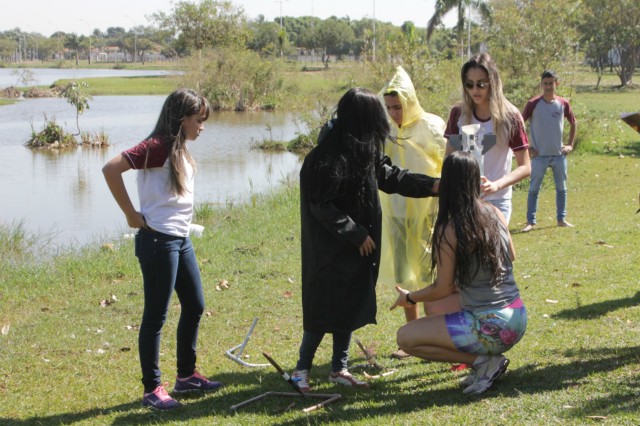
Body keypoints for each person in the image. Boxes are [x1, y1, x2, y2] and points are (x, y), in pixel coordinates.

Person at [292, 87, 440, 392]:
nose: (382, 121)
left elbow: (390, 176)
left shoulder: (364, 147)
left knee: (348, 304)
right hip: (330, 248)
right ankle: (301, 370)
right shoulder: (328, 155)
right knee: (323, 307)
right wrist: (355, 233)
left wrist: (435, 185)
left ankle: (339, 369)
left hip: (360, 248)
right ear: (362, 118)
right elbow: (320, 205)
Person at [102, 89, 223, 410]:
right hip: (157, 241)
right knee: (156, 315)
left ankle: (186, 377)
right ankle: (152, 389)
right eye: (198, 120)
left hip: (180, 240)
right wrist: (131, 214)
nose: (202, 126)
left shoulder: (179, 150)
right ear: (181, 118)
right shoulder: (157, 147)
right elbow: (111, 169)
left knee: (195, 305)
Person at [390, 150, 527, 395]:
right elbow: (513, 257)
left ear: (446, 184)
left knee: (406, 338)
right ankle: (485, 362)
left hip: (490, 326)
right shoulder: (494, 212)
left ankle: (483, 363)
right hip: (517, 317)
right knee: (437, 310)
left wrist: (409, 298)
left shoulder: (450, 228)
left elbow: (442, 288)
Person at [378, 66, 448, 359]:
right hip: (396, 212)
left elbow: (449, 162)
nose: (395, 113)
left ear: (410, 101)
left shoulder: (431, 126)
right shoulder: (385, 131)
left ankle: (438, 335)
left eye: (399, 106)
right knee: (405, 274)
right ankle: (414, 336)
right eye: (389, 107)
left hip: (428, 210)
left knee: (431, 271)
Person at [445, 53, 531, 224]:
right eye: (469, 84)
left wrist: (496, 185)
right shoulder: (458, 114)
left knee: (495, 250)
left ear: (493, 82)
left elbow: (526, 167)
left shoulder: (510, 117)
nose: (475, 90)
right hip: (465, 199)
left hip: (497, 201)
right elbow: (449, 158)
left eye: (481, 84)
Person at [521, 70, 577, 232]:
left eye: (551, 83)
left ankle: (561, 219)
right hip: (539, 156)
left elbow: (573, 123)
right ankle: (530, 222)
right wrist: (527, 147)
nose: (548, 87)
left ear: (556, 84)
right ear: (541, 84)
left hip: (559, 155)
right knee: (533, 189)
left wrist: (570, 144)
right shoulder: (533, 104)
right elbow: (519, 124)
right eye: (545, 83)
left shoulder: (563, 103)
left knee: (561, 188)